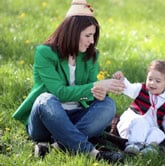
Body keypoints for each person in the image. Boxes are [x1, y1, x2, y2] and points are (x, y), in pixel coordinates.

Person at [12, 0, 125, 163]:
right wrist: (95, 85)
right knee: (46, 99)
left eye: (93, 35)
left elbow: (86, 98)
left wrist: (98, 93)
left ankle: (57, 146)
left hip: (75, 117)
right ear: (73, 32)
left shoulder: (90, 56)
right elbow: (59, 93)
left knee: (108, 104)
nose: (92, 41)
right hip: (46, 118)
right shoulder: (45, 53)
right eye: (88, 35)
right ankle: (94, 154)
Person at [113, 60, 165, 155]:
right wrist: (122, 80)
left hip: (149, 129)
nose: (152, 83)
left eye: (157, 81)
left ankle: (149, 147)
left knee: (159, 133)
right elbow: (129, 88)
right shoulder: (141, 89)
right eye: (150, 79)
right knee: (141, 122)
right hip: (131, 126)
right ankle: (134, 145)